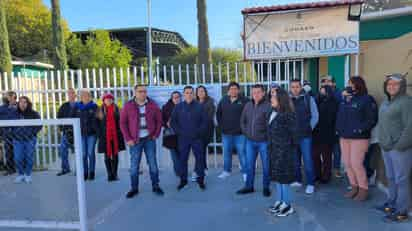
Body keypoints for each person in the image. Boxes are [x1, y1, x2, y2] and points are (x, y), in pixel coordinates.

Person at [376, 73, 412, 223]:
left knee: (401, 179)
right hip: (386, 147)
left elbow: (410, 127)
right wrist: (382, 140)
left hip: (400, 148)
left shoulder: (406, 102)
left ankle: (402, 211)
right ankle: (392, 203)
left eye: (395, 84)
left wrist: (400, 145)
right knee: (391, 177)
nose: (391, 87)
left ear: (402, 86)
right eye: (389, 84)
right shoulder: (386, 102)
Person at [336, 76, 378, 201]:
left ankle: (363, 189)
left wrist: (360, 129)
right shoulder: (346, 99)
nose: (350, 86)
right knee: (347, 163)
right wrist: (338, 129)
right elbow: (340, 115)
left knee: (356, 163)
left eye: (352, 83)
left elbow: (372, 119)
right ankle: (354, 186)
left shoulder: (367, 99)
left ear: (359, 85)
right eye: (349, 83)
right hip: (344, 136)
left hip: (359, 138)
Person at [120, 84, 164, 198]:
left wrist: (156, 134)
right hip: (135, 140)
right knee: (134, 165)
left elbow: (159, 121)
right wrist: (128, 138)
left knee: (153, 164)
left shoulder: (153, 104)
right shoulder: (128, 105)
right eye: (140, 91)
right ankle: (134, 188)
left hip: (149, 139)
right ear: (135, 93)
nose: (142, 93)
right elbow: (123, 123)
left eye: (144, 91)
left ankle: (156, 186)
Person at [236, 84, 272, 197]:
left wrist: (265, 137)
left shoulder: (268, 106)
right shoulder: (248, 105)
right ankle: (249, 186)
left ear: (263, 93)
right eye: (253, 92)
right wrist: (247, 133)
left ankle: (266, 187)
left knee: (266, 166)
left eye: (258, 92)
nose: (255, 94)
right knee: (249, 165)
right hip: (250, 141)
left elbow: (270, 125)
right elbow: (243, 121)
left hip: (264, 142)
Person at [267, 88, 298, 217]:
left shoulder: (288, 115)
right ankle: (280, 201)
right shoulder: (274, 112)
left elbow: (294, 135)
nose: (271, 99)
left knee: (284, 179)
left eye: (273, 97)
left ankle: (287, 205)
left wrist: (286, 149)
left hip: (284, 152)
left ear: (281, 99)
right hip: (274, 151)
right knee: (277, 178)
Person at [171, 86, 208, 191]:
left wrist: (198, 133)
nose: (189, 95)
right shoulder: (178, 107)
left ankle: (200, 180)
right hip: (183, 139)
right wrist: (180, 132)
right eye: (187, 93)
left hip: (197, 138)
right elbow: (173, 122)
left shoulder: (199, 106)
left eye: (191, 93)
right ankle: (183, 181)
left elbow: (205, 122)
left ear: (193, 94)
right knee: (183, 160)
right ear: (183, 94)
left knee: (200, 159)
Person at [289, 79, 319, 195]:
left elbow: (315, 116)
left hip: (305, 136)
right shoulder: (287, 100)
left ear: (301, 87)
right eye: (293, 87)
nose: (295, 89)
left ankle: (311, 183)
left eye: (297, 86)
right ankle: (297, 179)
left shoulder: (308, 99)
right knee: (295, 160)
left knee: (307, 160)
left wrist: (309, 128)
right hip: (292, 135)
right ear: (290, 88)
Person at [216, 82, 248, 180]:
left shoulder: (244, 100)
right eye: (231, 89)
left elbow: (248, 115)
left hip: (240, 134)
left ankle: (245, 172)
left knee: (242, 153)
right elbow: (218, 114)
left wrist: (245, 128)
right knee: (226, 153)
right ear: (228, 90)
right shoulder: (223, 100)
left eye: (235, 88)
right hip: (226, 134)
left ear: (238, 90)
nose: (233, 90)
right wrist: (221, 127)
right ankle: (226, 171)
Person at [10, 96, 42, 183]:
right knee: (18, 158)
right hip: (17, 139)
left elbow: (40, 125)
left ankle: (28, 175)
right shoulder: (13, 113)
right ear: (18, 103)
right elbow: (9, 126)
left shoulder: (34, 113)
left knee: (29, 158)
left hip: (30, 139)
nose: (23, 104)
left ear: (28, 103)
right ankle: (20, 174)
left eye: (25, 102)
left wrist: (32, 133)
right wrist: (13, 134)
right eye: (21, 102)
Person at [96, 93, 125, 182]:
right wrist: (100, 134)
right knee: (107, 155)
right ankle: (109, 174)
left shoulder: (117, 109)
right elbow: (96, 124)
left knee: (115, 155)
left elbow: (122, 122)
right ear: (103, 100)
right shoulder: (100, 110)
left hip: (116, 136)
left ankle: (115, 173)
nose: (108, 101)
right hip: (105, 137)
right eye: (106, 99)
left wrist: (120, 131)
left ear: (112, 100)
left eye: (110, 99)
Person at [312, 85, 338, 184]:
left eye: (324, 92)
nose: (322, 94)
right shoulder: (317, 101)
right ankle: (317, 174)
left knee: (326, 156)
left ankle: (326, 176)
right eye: (320, 92)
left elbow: (332, 118)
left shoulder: (333, 103)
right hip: (316, 133)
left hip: (327, 134)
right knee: (315, 155)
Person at [72, 90, 98, 181]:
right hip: (81, 134)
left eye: (87, 96)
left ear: (90, 97)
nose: (85, 97)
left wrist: (96, 130)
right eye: (83, 96)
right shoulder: (77, 107)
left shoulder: (94, 107)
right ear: (81, 97)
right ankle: (85, 172)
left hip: (92, 134)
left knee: (90, 153)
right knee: (83, 154)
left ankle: (92, 172)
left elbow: (99, 119)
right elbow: (72, 119)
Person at [321, 75, 344, 178]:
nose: (327, 83)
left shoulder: (339, 94)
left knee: (336, 150)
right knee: (326, 150)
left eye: (329, 81)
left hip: (336, 126)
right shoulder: (321, 93)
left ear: (334, 83)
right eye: (325, 81)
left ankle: (336, 169)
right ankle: (327, 169)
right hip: (325, 127)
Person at [194, 85, 216, 180]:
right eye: (199, 91)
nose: (200, 93)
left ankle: (198, 171)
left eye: (202, 91)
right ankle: (203, 169)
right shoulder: (194, 102)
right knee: (200, 151)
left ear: (205, 92)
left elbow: (209, 116)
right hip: (195, 131)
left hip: (206, 130)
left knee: (200, 151)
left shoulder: (210, 102)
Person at [56, 88, 77, 176]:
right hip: (66, 133)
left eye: (72, 93)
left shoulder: (79, 105)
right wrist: (61, 129)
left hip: (77, 133)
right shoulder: (64, 106)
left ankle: (78, 170)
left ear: (75, 95)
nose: (70, 95)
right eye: (69, 93)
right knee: (62, 150)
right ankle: (65, 168)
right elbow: (59, 118)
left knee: (78, 152)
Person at [161, 91, 181, 176]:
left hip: (181, 134)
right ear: (171, 98)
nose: (176, 99)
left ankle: (181, 170)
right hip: (171, 134)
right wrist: (166, 123)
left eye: (178, 97)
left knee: (182, 153)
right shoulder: (166, 107)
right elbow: (161, 120)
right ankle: (178, 172)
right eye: (174, 97)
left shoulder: (183, 106)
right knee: (174, 154)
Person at [1, 91, 17, 176]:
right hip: (6, 134)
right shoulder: (2, 108)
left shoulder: (19, 107)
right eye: (9, 97)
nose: (11, 99)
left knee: (18, 151)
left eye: (13, 97)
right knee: (8, 152)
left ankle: (21, 167)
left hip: (18, 133)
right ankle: (10, 169)